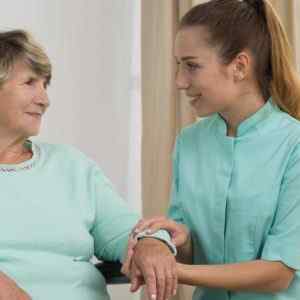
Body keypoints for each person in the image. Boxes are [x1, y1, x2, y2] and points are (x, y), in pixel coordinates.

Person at [124, 0, 300, 299]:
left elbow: (279, 271)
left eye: (192, 66)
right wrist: (162, 241)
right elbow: (190, 245)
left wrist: (172, 271)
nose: (180, 81)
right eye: (179, 66)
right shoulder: (189, 142)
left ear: (240, 66)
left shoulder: (294, 144)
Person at [0, 29, 177, 300]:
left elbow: (125, 229)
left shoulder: (71, 165)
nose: (44, 99)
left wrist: (150, 241)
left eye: (45, 85)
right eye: (30, 82)